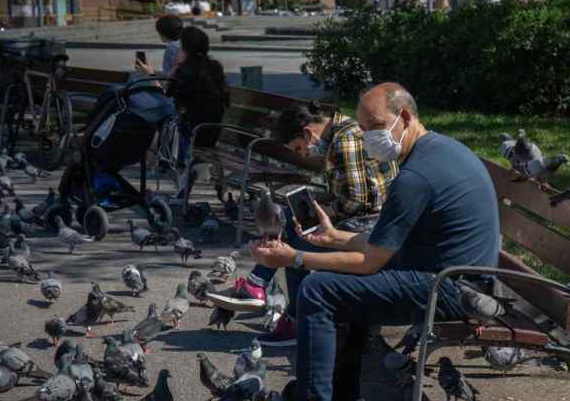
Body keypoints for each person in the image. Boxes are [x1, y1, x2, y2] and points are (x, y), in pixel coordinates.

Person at [249, 82, 500, 401]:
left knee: (318, 289)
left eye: (375, 126)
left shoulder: (416, 176)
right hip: (455, 277)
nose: (367, 137)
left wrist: (296, 258)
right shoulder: (435, 152)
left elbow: (370, 262)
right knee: (335, 285)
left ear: (406, 117)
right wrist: (335, 238)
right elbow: (382, 243)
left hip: (452, 290)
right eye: (364, 128)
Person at [235, 104, 399, 327]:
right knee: (290, 220)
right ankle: (269, 295)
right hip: (370, 219)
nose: (303, 154)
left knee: (294, 241)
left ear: (307, 133)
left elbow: (358, 201)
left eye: (299, 148)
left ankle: (287, 313)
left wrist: (325, 211)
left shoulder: (346, 139)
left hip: (371, 225)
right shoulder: (342, 131)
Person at [166, 26, 229, 194]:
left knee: (160, 135)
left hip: (195, 133)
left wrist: (176, 66)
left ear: (186, 48)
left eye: (180, 47)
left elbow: (168, 93)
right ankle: (186, 180)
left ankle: (181, 183)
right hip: (213, 131)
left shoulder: (186, 70)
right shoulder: (215, 66)